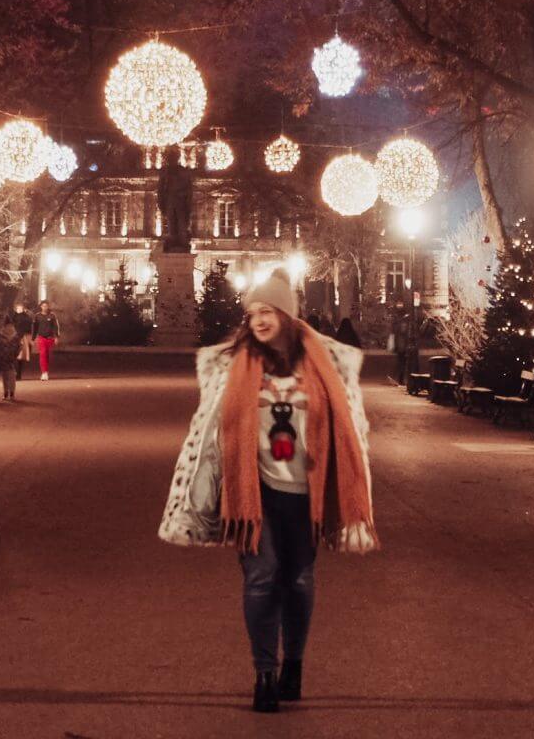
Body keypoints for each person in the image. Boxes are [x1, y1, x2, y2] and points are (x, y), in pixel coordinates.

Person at [159, 269, 378, 713]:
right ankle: (264, 673)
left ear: (287, 315)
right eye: (252, 312)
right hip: (254, 489)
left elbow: (352, 429)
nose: (258, 320)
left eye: (267, 311)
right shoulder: (232, 365)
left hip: (306, 491)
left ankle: (292, 663)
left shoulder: (326, 363)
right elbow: (207, 434)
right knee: (261, 577)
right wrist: (201, 493)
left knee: (298, 580)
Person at [31, 300, 60, 381]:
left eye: (46, 306)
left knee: (48, 355)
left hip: (50, 338)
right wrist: (33, 338)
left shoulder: (52, 315)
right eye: (43, 306)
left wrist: (56, 337)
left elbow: (56, 327)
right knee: (42, 354)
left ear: (48, 307)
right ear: (41, 307)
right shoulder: (37, 316)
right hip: (41, 338)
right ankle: (44, 372)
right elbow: (34, 328)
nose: (45, 307)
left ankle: (46, 371)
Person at [0, 315, 19, 401]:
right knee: (10, 375)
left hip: (5, 357)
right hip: (10, 357)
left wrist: (0, 354)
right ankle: (10, 393)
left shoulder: (1, 334)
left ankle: (7, 392)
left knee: (6, 376)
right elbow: (18, 346)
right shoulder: (14, 334)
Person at [13, 303, 33, 379]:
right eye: (17, 308)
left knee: (19, 356)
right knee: (16, 356)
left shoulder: (26, 317)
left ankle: (18, 374)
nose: (19, 309)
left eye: (20, 308)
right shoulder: (14, 317)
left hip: (22, 338)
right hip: (15, 338)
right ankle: (16, 373)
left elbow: (28, 327)